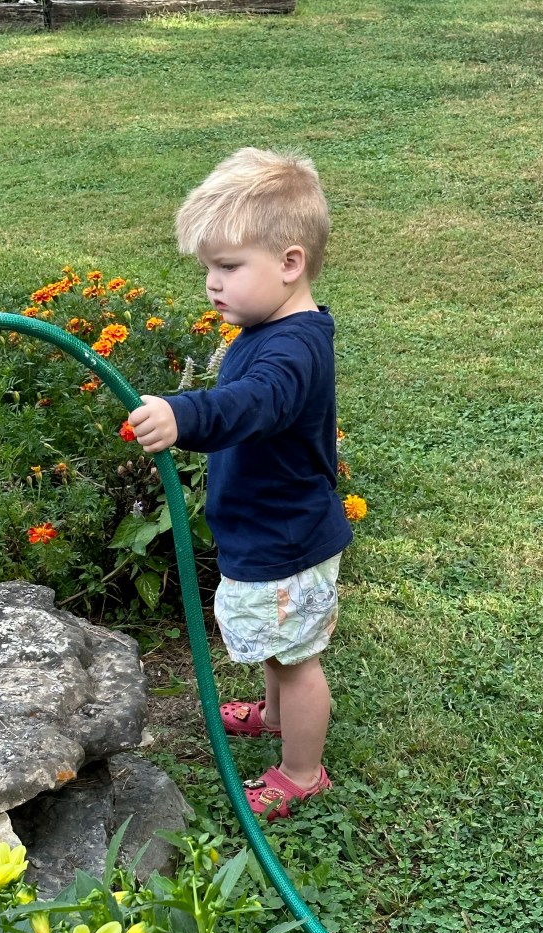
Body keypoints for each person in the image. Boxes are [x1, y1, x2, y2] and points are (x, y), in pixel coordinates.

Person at [129, 147, 353, 819]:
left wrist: (184, 415)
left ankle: (301, 772)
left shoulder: (293, 349)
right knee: (279, 647)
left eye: (228, 267)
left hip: (287, 538)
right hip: (269, 528)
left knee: (297, 660)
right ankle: (275, 716)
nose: (212, 284)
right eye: (208, 268)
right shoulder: (267, 325)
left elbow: (254, 403)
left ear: (290, 263)